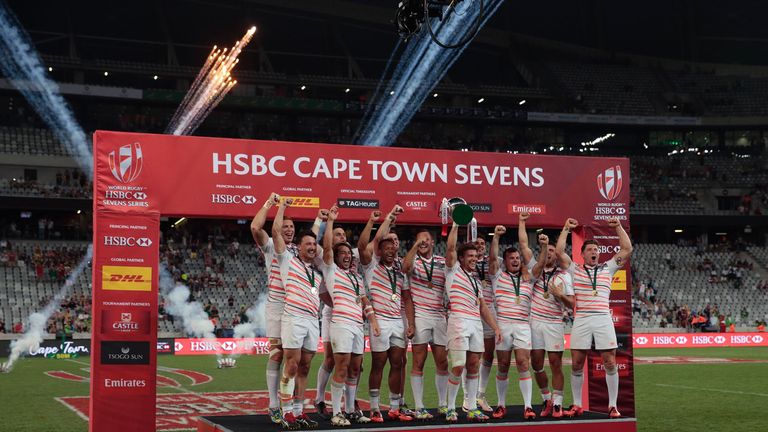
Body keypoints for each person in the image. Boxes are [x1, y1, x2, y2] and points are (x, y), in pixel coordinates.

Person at [555, 216, 633, 419]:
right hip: (582, 318)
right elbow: (559, 252)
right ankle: (577, 404)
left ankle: (613, 406)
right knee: (576, 363)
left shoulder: (608, 267)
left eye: (596, 250)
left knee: (610, 361)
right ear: (582, 254)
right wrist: (566, 228)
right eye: (589, 249)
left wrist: (618, 227)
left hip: (602, 318)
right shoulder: (575, 269)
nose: (594, 252)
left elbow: (627, 249)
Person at [321, 206, 380, 426]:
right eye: (342, 253)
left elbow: (364, 300)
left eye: (348, 253)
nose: (346, 256)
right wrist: (330, 221)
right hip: (341, 325)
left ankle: (350, 410)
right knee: (342, 367)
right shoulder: (331, 270)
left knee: (355, 369)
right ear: (335, 257)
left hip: (357, 326)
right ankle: (337, 413)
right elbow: (327, 247)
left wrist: (372, 320)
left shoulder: (356, 278)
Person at [359, 205, 414, 422]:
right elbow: (366, 244)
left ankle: (394, 407)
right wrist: (389, 218)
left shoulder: (401, 270)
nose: (391, 251)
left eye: (393, 248)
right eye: (386, 248)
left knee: (398, 363)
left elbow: (407, 298)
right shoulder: (372, 265)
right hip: (380, 321)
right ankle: (374, 407)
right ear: (379, 251)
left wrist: (411, 323)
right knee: (378, 363)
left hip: (397, 322)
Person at [273, 198, 323, 430]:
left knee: (305, 367)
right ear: (298, 247)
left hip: (313, 320)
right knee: (292, 365)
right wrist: (282, 207)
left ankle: (299, 411)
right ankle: (286, 412)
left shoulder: (317, 271)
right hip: (293, 317)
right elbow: (276, 232)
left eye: (314, 244)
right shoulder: (288, 260)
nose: (312, 247)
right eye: (308, 244)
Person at [443, 222, 501, 423]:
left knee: (474, 366)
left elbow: (483, 307)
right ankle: (451, 408)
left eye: (476, 256)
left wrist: (495, 328)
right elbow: (451, 247)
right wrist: (455, 225)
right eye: (470, 256)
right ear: (461, 258)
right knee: (459, 366)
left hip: (476, 323)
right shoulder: (452, 271)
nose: (474, 259)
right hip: (458, 321)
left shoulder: (476, 281)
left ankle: (471, 406)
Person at [518, 212, 574, 418]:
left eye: (552, 250)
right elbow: (524, 245)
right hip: (535, 323)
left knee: (556, 364)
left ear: (556, 255)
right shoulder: (535, 269)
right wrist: (521, 222)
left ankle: (558, 403)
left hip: (554, 323)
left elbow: (572, 304)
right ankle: (546, 399)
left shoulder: (564, 276)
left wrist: (560, 295)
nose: (549, 253)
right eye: (547, 250)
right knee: (536, 364)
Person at [488, 225, 546, 420]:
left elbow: (540, 265)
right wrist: (496, 237)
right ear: (504, 261)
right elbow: (492, 258)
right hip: (503, 324)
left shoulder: (529, 278)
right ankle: (501, 405)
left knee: (523, 363)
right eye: (511, 258)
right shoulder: (497, 276)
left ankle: (528, 406)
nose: (515, 260)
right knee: (503, 364)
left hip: (522, 325)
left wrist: (543, 247)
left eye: (517, 258)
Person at [250, 192, 298, 424]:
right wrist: (271, 203)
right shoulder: (270, 245)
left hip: (297, 306)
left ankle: (292, 404)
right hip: (277, 305)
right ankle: (273, 404)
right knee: (277, 354)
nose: (288, 230)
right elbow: (255, 227)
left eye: (292, 227)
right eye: (285, 226)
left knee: (294, 357)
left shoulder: (299, 250)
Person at [402, 229, 449, 420]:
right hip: (421, 316)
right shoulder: (413, 261)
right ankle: (419, 406)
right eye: (419, 240)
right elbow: (405, 267)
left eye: (426, 239)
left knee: (442, 362)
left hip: (439, 316)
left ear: (433, 242)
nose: (423, 242)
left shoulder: (442, 262)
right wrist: (415, 245)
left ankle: (443, 404)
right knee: (419, 362)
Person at [464, 234, 496, 413]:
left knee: (489, 355)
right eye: (477, 243)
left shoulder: (494, 261)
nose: (480, 245)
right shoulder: (467, 263)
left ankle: (480, 394)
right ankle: (467, 396)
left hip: (489, 310)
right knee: (469, 356)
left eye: (483, 243)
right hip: (471, 310)